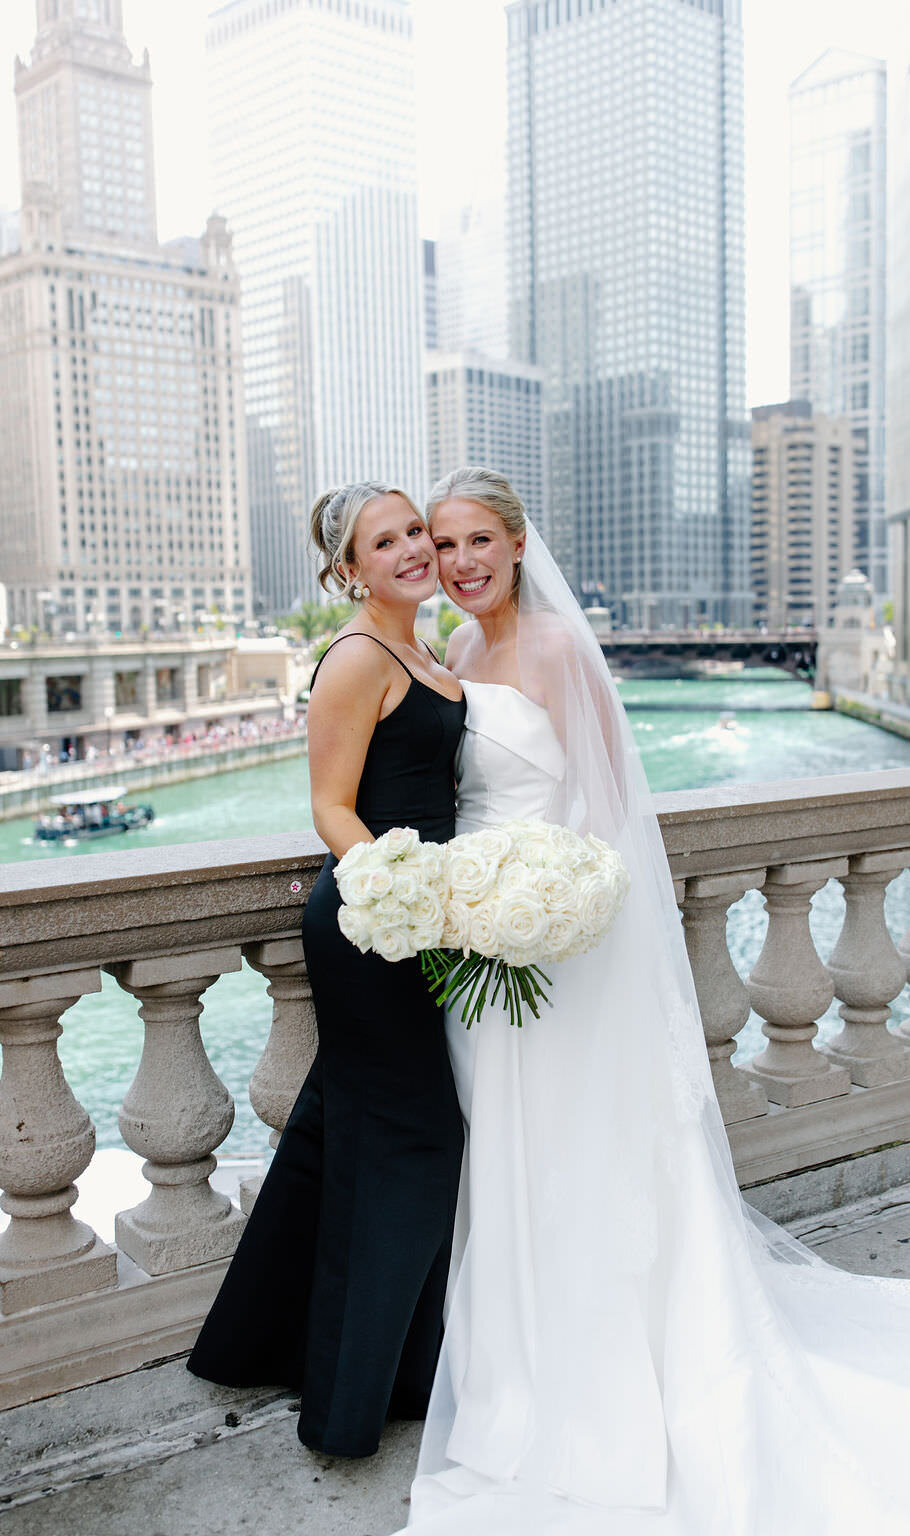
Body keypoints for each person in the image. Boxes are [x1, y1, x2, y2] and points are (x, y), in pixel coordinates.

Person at [402, 465, 910, 1535]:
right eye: (441, 545)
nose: (458, 564)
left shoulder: (555, 648)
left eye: (475, 543)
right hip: (482, 946)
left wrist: (544, 912)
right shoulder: (456, 651)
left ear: (514, 543)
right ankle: (527, 1364)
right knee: (511, 1153)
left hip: (555, 947)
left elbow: (605, 810)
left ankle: (619, 1378)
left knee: (578, 1150)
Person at [188, 482, 465, 1458]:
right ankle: (351, 1407)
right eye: (380, 542)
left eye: (412, 532)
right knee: (418, 1140)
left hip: (424, 915)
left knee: (342, 1132)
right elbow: (330, 807)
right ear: (348, 570)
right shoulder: (354, 657)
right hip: (373, 919)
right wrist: (403, 900)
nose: (408, 550)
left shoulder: (426, 651)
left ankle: (264, 1344)